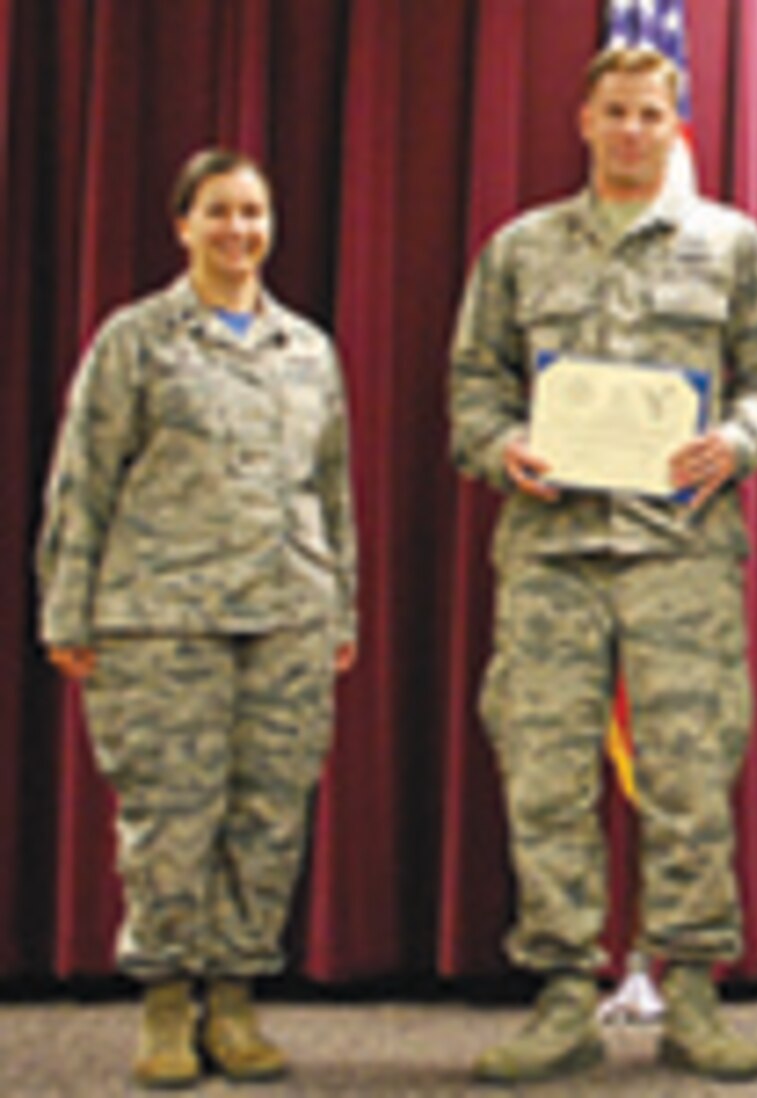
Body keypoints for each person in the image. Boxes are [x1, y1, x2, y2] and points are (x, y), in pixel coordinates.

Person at [448, 45, 757, 1084]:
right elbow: (473, 384)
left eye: (652, 113)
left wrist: (735, 443)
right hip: (551, 556)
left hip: (680, 557)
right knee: (546, 779)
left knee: (690, 778)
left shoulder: (731, 246)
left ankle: (689, 992)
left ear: (675, 121)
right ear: (584, 119)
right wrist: (498, 446)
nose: (633, 130)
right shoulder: (519, 250)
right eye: (616, 112)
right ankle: (562, 993)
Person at [37, 148, 358, 1089]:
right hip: (160, 617)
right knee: (171, 819)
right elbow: (83, 481)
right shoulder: (137, 341)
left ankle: (234, 999)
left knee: (268, 817)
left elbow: (332, 492)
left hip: (287, 614)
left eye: (253, 213)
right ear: (184, 225)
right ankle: (167, 1003)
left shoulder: (307, 349)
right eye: (218, 212)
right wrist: (69, 603)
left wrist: (341, 604)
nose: (238, 231)